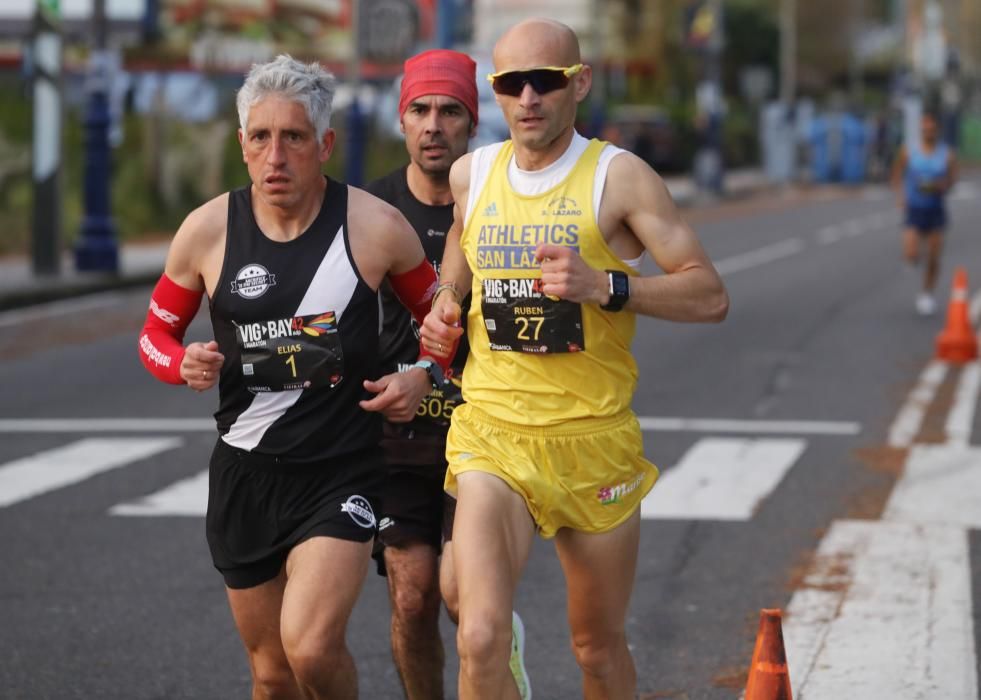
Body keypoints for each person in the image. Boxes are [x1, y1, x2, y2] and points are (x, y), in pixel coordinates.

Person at [420, 18, 729, 699]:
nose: (527, 98)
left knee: (594, 647)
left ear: (578, 82)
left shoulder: (619, 179)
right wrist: (447, 300)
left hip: (591, 441)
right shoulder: (473, 173)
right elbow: (462, 246)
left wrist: (606, 285)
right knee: (476, 636)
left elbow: (708, 296)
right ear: (494, 92)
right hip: (493, 435)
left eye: (545, 81)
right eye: (510, 84)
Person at [137, 54, 443, 700]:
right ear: (241, 146)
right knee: (273, 677)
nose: (276, 155)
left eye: (294, 137)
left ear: (324, 145)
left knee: (309, 647)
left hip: (341, 469)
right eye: (260, 137)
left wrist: (423, 373)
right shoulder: (206, 232)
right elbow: (153, 337)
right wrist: (180, 362)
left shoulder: (375, 228)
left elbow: (443, 321)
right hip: (245, 475)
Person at [364, 49, 530, 700]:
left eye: (449, 111)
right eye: (419, 110)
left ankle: (499, 656)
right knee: (411, 600)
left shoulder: (501, 203)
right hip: (396, 443)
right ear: (401, 121)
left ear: (471, 124)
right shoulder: (366, 211)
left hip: (485, 435)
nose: (433, 125)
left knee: (467, 605)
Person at [891, 109, 959, 316]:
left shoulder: (947, 154)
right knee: (911, 254)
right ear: (921, 130)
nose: (928, 131)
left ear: (937, 130)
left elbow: (953, 180)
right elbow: (896, 174)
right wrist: (901, 197)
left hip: (935, 209)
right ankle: (913, 258)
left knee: (934, 256)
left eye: (931, 128)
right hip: (914, 209)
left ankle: (926, 293)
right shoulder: (909, 151)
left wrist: (943, 185)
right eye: (924, 128)